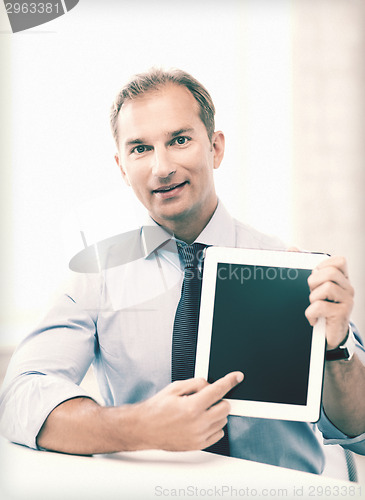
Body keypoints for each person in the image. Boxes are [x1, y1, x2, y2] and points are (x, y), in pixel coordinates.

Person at [1, 68, 364, 474]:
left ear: (215, 148)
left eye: (179, 140)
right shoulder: (97, 275)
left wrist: (338, 347)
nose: (161, 167)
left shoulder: (294, 270)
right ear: (122, 167)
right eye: (140, 149)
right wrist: (142, 426)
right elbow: (20, 399)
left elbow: (360, 431)